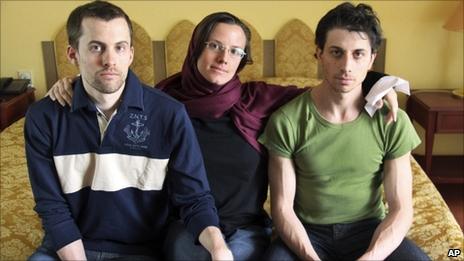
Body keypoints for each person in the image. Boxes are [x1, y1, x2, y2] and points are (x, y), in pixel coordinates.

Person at [47, 11, 400, 261]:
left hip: (245, 227)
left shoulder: (260, 100)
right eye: (215, 46)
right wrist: (74, 83)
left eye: (235, 51)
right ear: (197, 47)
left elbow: (332, 86)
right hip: (182, 224)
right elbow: (109, 92)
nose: (223, 58)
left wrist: (377, 82)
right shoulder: (160, 102)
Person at [25, 1, 232, 260]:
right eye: (96, 47)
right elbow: (51, 206)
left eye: (119, 48)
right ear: (72, 54)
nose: (110, 60)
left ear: (131, 54)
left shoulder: (169, 113)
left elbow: (194, 197)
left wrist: (219, 247)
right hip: (67, 247)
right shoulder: (43, 117)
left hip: (140, 251)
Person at [258, 2, 430, 260]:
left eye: (358, 54)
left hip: (369, 230)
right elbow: (282, 209)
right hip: (307, 233)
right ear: (319, 54)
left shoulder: (392, 120)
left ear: (372, 58)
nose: (346, 66)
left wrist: (370, 257)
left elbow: (401, 209)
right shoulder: (287, 120)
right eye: (336, 52)